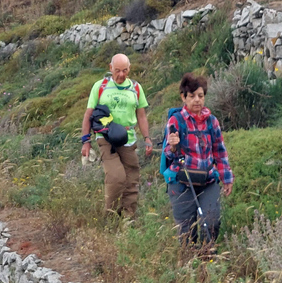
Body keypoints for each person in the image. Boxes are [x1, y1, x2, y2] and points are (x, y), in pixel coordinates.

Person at [163, 73, 234, 247]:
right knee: (187, 232)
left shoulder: (212, 122)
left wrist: (227, 178)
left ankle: (207, 255)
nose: (197, 100)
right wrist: (172, 146)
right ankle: (190, 265)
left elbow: (220, 151)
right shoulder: (176, 120)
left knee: (212, 223)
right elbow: (168, 154)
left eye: (200, 96)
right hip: (181, 181)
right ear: (183, 97)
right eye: (192, 96)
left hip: (208, 180)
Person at [81, 53, 152, 217]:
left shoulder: (135, 88)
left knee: (131, 179)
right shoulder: (100, 86)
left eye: (125, 70)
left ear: (130, 69)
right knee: (116, 177)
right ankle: (110, 216)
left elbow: (141, 115)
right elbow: (88, 115)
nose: (121, 74)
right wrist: (86, 141)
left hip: (129, 139)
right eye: (117, 70)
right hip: (106, 138)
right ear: (110, 68)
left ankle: (127, 217)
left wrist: (147, 138)